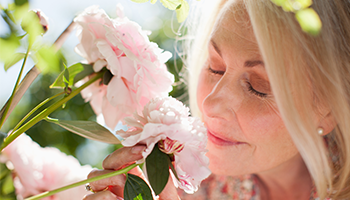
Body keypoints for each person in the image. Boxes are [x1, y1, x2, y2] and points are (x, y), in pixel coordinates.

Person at [83, 0, 350, 199]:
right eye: (215, 67)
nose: (210, 105)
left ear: (328, 111)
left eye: (259, 87)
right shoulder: (181, 188)